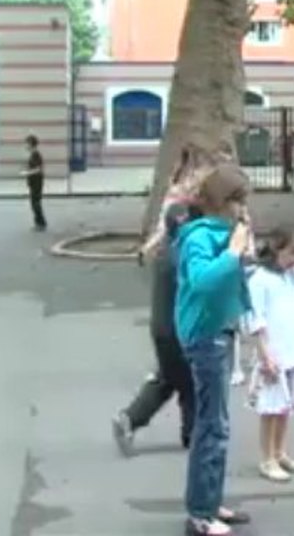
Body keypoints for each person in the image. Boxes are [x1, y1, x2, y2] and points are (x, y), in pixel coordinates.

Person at [174, 164, 255, 536]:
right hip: (204, 335)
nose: (245, 210)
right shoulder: (199, 237)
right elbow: (204, 281)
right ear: (224, 202)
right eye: (240, 202)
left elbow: (235, 278)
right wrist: (233, 253)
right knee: (212, 426)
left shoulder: (224, 232)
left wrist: (244, 255)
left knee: (218, 425)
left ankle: (210, 501)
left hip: (219, 330)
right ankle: (200, 514)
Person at [113, 185, 200, 456]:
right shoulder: (184, 257)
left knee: (169, 377)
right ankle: (191, 433)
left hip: (162, 328)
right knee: (190, 380)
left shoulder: (166, 254)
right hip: (179, 330)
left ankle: (132, 419)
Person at [245, 226, 294, 483]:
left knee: (285, 407)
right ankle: (268, 458)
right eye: (292, 253)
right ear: (277, 250)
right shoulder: (260, 279)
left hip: (293, 349)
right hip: (274, 351)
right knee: (271, 408)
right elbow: (255, 319)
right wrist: (265, 355)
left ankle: (280, 451)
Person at [19, 134, 47, 231]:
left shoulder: (36, 154)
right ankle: (39, 223)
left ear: (31, 144)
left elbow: (38, 169)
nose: (25, 146)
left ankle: (41, 223)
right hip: (34, 182)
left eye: (26, 144)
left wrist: (26, 173)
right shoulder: (33, 154)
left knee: (35, 203)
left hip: (37, 182)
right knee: (34, 203)